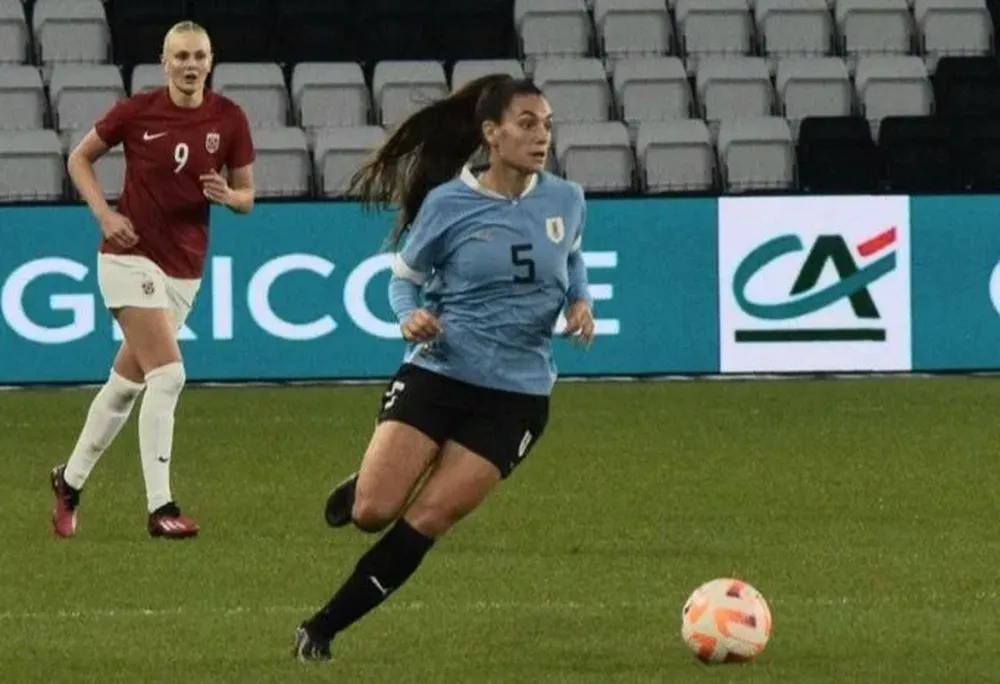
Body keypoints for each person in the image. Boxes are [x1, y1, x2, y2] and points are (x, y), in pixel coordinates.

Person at [292, 74, 596, 661]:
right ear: (492, 133)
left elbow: (573, 256)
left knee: (428, 518)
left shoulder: (566, 199)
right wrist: (410, 319)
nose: (542, 137)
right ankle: (368, 485)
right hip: (439, 373)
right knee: (373, 512)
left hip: (516, 397)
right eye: (527, 124)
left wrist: (579, 301)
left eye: (548, 124)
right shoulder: (448, 204)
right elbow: (403, 281)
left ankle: (322, 628)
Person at [49, 20, 256, 539]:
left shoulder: (229, 118)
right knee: (169, 375)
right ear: (164, 62)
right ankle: (161, 507)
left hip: (185, 270)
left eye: (199, 56)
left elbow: (247, 196)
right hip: (128, 257)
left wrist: (227, 197)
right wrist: (105, 215)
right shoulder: (137, 111)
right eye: (180, 56)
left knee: (125, 387)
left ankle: (69, 481)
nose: (190, 65)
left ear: (211, 61)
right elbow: (79, 159)